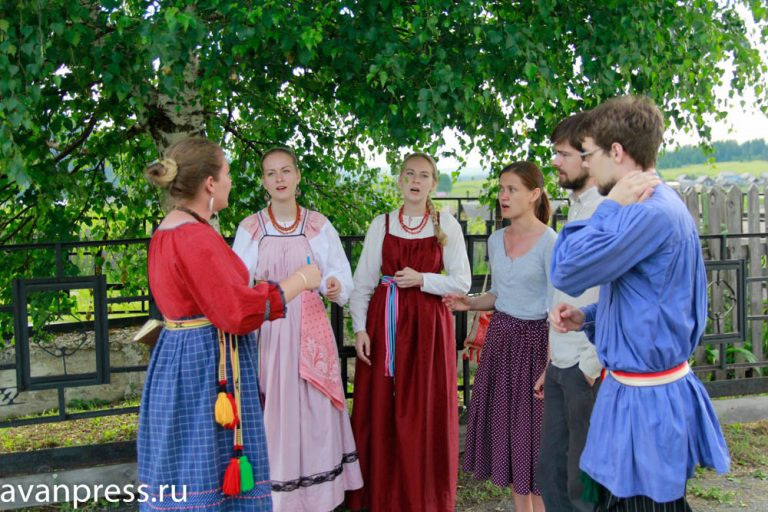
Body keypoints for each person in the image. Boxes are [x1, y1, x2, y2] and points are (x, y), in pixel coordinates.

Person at [550, 96, 730, 511]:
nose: (587, 165)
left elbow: (566, 270)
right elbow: (652, 302)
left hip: (646, 407)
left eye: (589, 154)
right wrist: (588, 317)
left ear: (616, 151)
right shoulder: (655, 206)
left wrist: (608, 207)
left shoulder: (646, 213)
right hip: (639, 397)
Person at [138, 138, 321, 511]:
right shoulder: (193, 236)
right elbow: (236, 311)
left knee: (182, 461)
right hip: (205, 366)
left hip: (183, 359)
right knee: (202, 464)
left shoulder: (169, 229)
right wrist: (300, 281)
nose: (231, 181)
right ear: (210, 183)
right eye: (227, 173)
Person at [231, 147, 363, 511]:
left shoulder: (318, 225)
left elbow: (339, 274)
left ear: (298, 176)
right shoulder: (251, 229)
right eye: (271, 173)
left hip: (310, 329)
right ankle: (276, 495)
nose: (279, 179)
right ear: (263, 181)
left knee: (313, 408)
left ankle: (317, 496)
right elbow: (238, 284)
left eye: (285, 171)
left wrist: (334, 285)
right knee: (275, 409)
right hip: (269, 331)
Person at [346, 152, 471, 511]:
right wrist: (360, 329)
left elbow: (461, 282)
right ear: (400, 180)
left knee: (424, 407)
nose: (416, 180)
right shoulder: (382, 224)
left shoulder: (445, 224)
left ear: (433, 183)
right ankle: (383, 495)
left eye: (424, 175)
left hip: (428, 331)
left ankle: (423, 497)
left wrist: (422, 280)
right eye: (410, 174)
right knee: (383, 406)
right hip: (385, 326)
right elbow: (363, 282)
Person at [444, 161, 556, 512]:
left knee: (533, 447)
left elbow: (557, 308)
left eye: (512, 190)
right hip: (501, 344)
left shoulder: (551, 243)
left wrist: (550, 366)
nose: (503, 196)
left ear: (534, 194)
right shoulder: (496, 240)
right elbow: (500, 294)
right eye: (501, 189)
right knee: (512, 445)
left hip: (534, 348)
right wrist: (469, 302)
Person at [535, 112, 604, 512]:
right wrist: (551, 361)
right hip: (561, 364)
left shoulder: (606, 212)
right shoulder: (575, 208)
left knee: (583, 485)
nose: (555, 161)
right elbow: (560, 291)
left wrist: (590, 364)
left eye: (563, 154)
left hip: (584, 366)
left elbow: (613, 293)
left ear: (588, 157)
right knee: (550, 473)